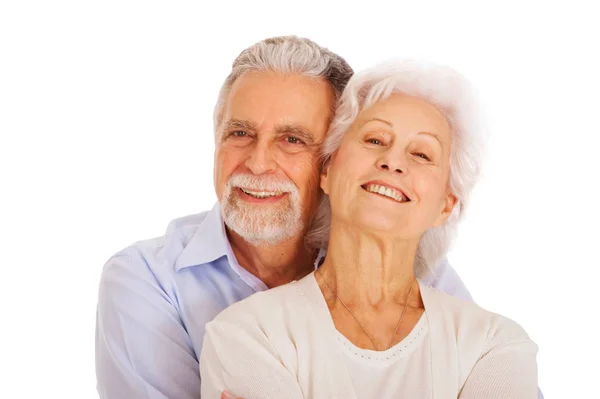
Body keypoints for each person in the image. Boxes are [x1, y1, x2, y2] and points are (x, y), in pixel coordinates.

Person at [95, 37, 496, 398]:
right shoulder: (146, 281)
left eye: (292, 140)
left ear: (333, 163)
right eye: (240, 133)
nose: (257, 162)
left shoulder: (414, 269)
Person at [199, 60, 539, 398]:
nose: (393, 161)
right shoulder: (245, 334)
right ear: (328, 170)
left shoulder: (494, 344)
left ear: (446, 205)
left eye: (421, 154)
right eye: (375, 140)